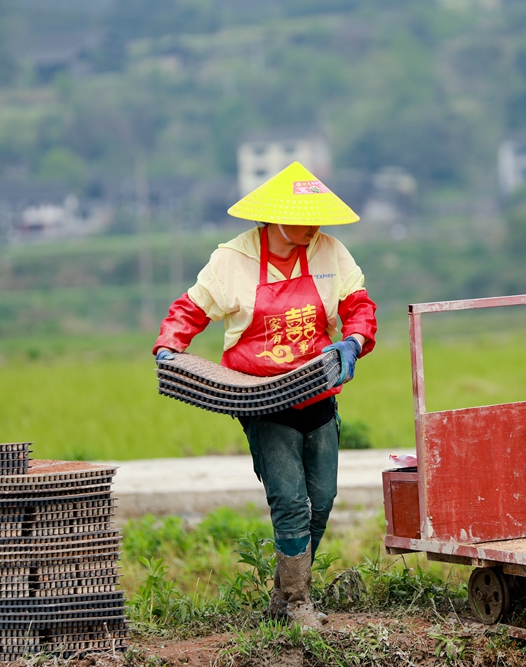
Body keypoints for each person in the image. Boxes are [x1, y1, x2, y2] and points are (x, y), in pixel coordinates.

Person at [152, 162, 377, 627]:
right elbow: (191, 309)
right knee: (291, 500)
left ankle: (285, 594)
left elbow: (359, 306)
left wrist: (354, 341)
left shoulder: (331, 253)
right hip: (262, 397)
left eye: (319, 216)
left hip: (318, 389)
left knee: (325, 497)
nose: (314, 225)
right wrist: (169, 346)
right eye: (304, 216)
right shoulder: (232, 261)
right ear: (275, 216)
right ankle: (298, 603)